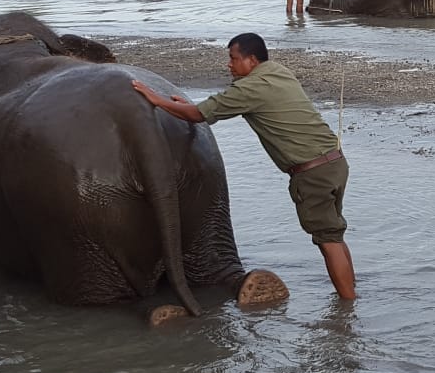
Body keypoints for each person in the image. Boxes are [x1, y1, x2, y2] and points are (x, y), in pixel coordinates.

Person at [131, 33, 357, 300]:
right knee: (333, 234)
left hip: (311, 173)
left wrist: (156, 99)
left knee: (327, 239)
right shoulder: (278, 72)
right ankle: (350, 296)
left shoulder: (249, 89)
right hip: (334, 163)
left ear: (251, 60)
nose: (229, 65)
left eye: (233, 59)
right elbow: (209, 108)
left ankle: (346, 312)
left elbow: (197, 116)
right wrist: (190, 107)